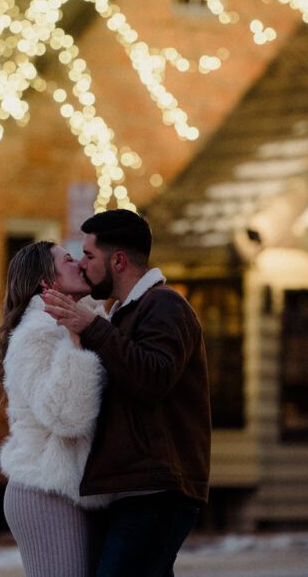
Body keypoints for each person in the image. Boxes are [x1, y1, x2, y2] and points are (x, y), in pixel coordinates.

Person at [42, 209, 211, 577]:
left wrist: (92, 330)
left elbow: (153, 377)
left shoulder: (165, 305)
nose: (83, 266)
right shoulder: (120, 315)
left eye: (89, 256)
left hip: (156, 490)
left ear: (118, 260)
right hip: (129, 489)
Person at [0, 241, 112, 577]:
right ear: (48, 282)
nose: (80, 264)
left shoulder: (88, 323)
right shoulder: (37, 334)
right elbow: (66, 416)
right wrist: (75, 344)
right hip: (44, 489)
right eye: (69, 260)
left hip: (75, 491)